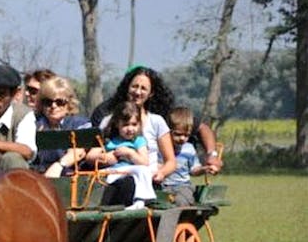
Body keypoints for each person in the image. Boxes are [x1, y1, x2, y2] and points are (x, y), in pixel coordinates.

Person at [91, 64, 223, 173]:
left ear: (151, 93)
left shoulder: (160, 119)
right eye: (134, 86)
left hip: (148, 177)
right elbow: (93, 153)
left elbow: (171, 160)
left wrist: (212, 154)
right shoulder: (108, 118)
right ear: (127, 88)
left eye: (143, 88)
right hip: (113, 175)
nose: (137, 92)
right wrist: (105, 157)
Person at [86, 102, 156, 209]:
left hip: (130, 171)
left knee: (143, 170)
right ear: (117, 124)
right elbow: (90, 157)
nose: (130, 129)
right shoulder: (109, 139)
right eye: (125, 125)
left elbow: (144, 162)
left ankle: (141, 200)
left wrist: (130, 153)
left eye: (134, 124)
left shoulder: (138, 141)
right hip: (111, 172)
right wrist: (106, 157)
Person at [31, 75, 91, 177]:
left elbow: (78, 152)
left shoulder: (80, 123)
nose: (53, 106)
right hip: (37, 175)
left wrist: (59, 166)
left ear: (69, 103)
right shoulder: (33, 123)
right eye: (48, 102)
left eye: (60, 102)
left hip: (68, 176)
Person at [161, 106, 213, 206]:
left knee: (181, 201)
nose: (182, 138)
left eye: (186, 135)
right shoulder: (161, 147)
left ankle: (180, 220)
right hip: (163, 187)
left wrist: (204, 169)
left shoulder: (189, 149)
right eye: (177, 134)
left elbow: (193, 170)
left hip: (183, 186)